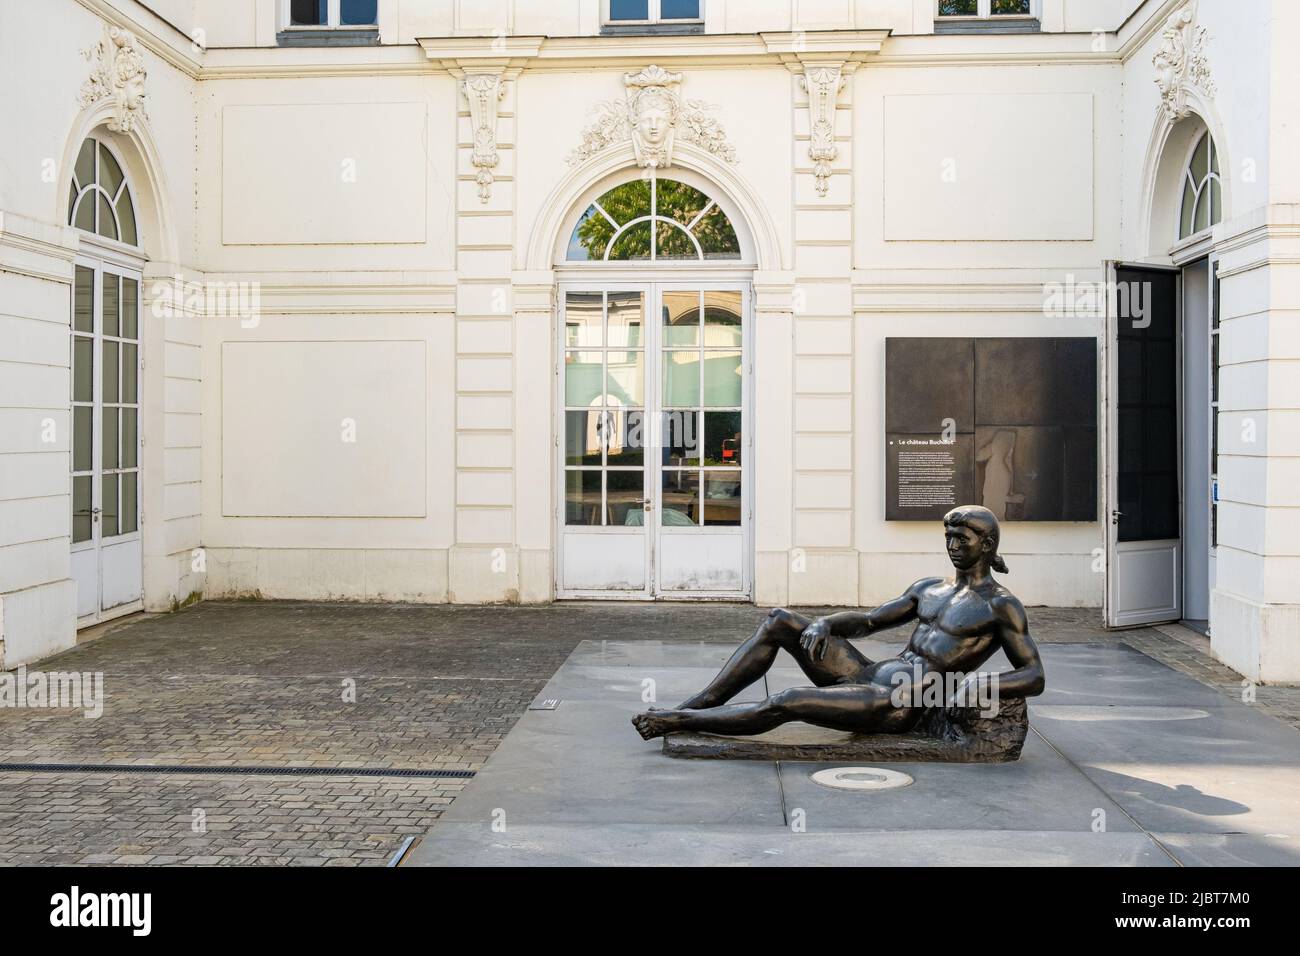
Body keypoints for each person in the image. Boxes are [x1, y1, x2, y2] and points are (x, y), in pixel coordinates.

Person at [631, 505, 1045, 740]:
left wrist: (982, 684)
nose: (953, 546)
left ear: (987, 545)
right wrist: (826, 622)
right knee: (781, 621)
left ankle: (680, 721)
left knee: (789, 700)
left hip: (895, 704)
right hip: (865, 675)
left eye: (963, 539)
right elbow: (868, 621)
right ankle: (701, 704)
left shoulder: (1001, 606)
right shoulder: (929, 588)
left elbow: (1034, 674)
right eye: (948, 537)